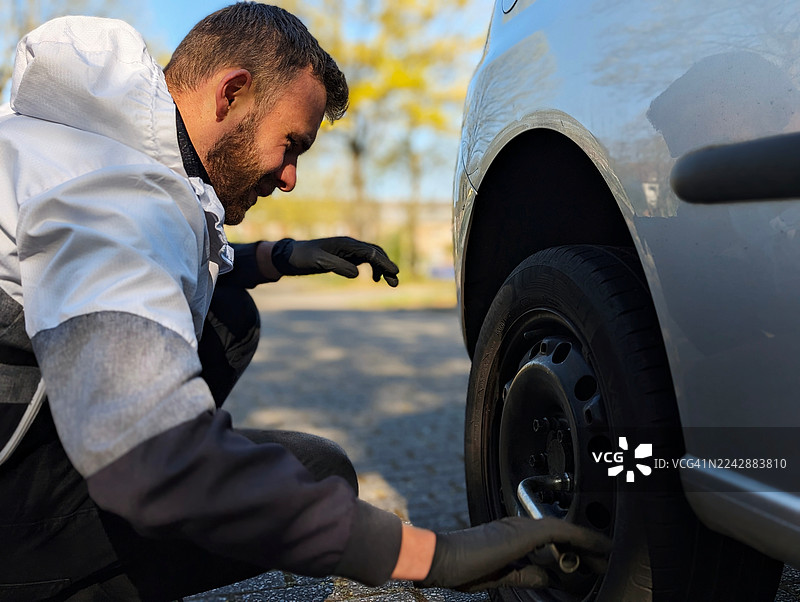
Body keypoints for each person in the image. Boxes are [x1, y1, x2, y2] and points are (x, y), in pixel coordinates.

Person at [0, 3, 610, 600]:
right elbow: (149, 457)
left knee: (230, 316)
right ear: (231, 94)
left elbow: (156, 259)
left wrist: (282, 256)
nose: (291, 177)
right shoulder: (115, 193)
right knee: (316, 475)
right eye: (290, 144)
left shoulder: (86, 145)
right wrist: (431, 557)